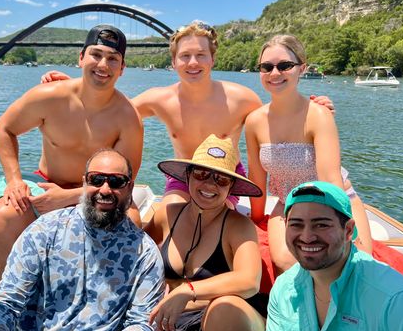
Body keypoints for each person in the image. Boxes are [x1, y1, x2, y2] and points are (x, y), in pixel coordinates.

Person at [42, 21, 333, 209]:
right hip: (182, 176)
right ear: (173, 62)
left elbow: (275, 120)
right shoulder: (160, 99)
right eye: (184, 56)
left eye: (200, 55)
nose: (193, 63)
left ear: (212, 59)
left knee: (215, 223)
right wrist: (73, 85)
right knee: (168, 218)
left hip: (226, 177)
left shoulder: (242, 98)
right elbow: (109, 109)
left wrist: (310, 107)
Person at [0, 149, 165, 331]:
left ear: (130, 188)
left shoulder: (145, 252)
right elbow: (6, 305)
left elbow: (143, 325)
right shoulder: (44, 231)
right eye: (96, 179)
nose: (105, 189)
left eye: (116, 181)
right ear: (84, 183)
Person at [0, 25, 143, 291]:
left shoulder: (128, 118)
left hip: (102, 190)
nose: (103, 64)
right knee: (1, 219)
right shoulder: (48, 97)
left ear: (122, 68)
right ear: (81, 58)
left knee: (132, 223)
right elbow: (4, 129)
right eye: (96, 54)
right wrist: (14, 180)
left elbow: (124, 181)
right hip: (45, 181)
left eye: (113, 59)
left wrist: (68, 197)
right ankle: (4, 312)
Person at [248, 181, 403, 331]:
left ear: (348, 231)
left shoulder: (398, 301)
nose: (307, 236)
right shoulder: (284, 289)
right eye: (296, 224)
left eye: (321, 224)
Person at [142, 135, 266, 331]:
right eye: (201, 174)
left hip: (227, 324)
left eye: (221, 179)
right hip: (175, 324)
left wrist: (188, 291)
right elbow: (131, 248)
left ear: (231, 187)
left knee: (225, 308)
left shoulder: (238, 226)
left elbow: (249, 280)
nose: (210, 184)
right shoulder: (167, 214)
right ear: (187, 176)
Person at [245, 34, 375, 274]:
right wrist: (255, 221)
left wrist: (344, 228)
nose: (275, 73)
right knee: (286, 261)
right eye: (266, 67)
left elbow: (330, 180)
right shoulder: (254, 122)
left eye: (285, 65)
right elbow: (256, 178)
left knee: (356, 263)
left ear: (301, 68)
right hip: (288, 204)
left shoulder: (318, 115)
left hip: (332, 201)